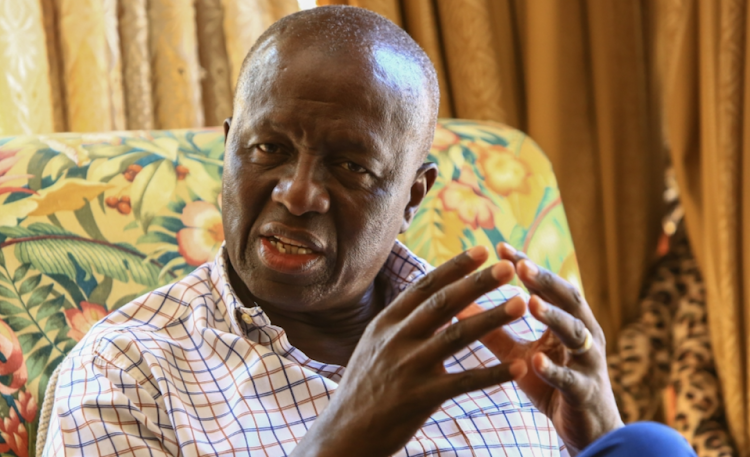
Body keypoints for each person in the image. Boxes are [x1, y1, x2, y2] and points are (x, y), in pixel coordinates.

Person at [43, 6, 697, 457]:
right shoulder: (124, 370)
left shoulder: (506, 338)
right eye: (268, 148)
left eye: (351, 166)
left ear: (413, 195)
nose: (297, 192)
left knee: (652, 445)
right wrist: (342, 438)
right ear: (228, 150)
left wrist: (598, 435)